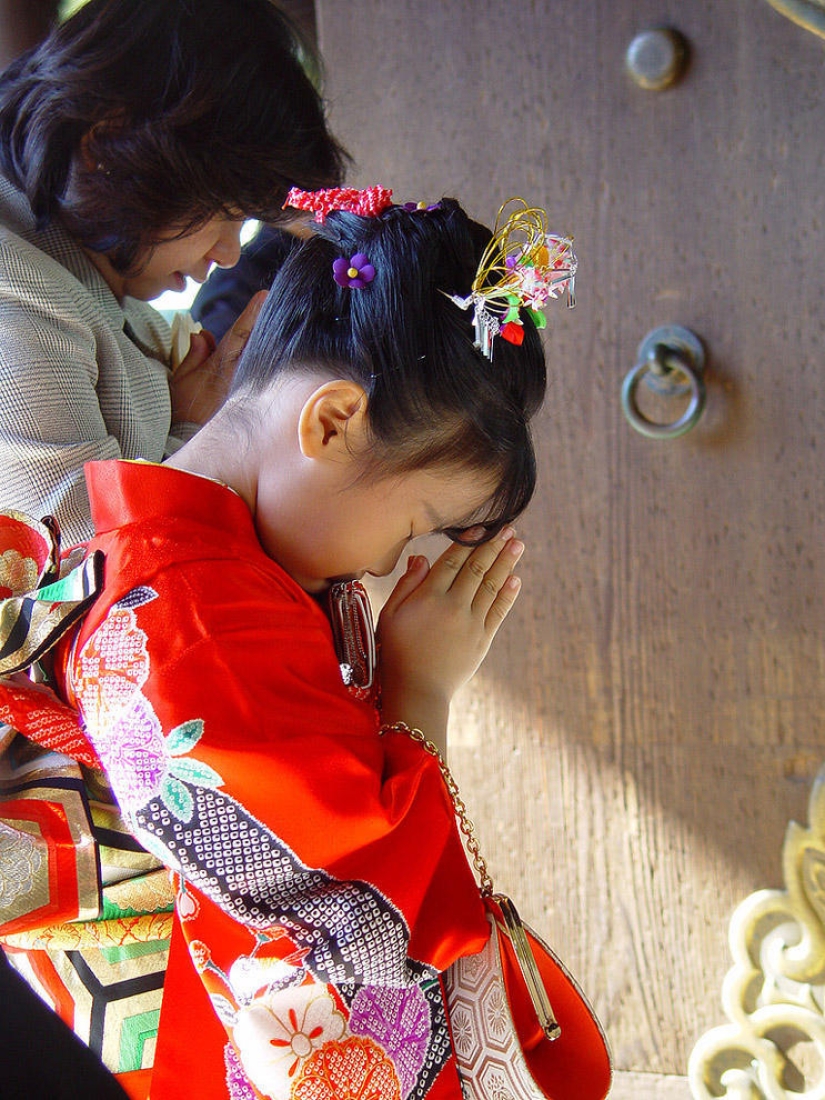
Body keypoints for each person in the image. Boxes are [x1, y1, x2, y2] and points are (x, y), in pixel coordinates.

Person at [0, 189, 583, 1099]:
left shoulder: (203, 572)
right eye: (419, 520)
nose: (397, 557)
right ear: (332, 421)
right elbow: (370, 925)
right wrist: (419, 693)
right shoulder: (187, 621)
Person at [0, 0, 347, 547]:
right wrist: (197, 430)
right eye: (224, 215)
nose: (230, 253)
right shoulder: (15, 295)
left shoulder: (99, 273)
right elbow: (92, 562)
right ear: (109, 150)